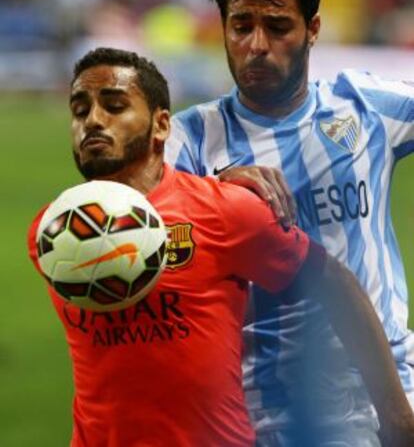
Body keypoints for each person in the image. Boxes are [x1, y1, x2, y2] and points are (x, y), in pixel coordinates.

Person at [27, 47, 414, 447]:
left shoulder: (225, 210)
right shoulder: (50, 232)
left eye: (114, 105)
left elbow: (335, 283)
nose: (92, 120)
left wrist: (396, 413)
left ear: (161, 125)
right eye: (79, 109)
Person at [166, 0, 414, 447]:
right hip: (269, 410)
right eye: (241, 26)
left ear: (313, 30)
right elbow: (145, 252)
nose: (257, 44)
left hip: (393, 386)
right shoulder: (188, 141)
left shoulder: (366, 108)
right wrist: (209, 197)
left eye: (277, 27)